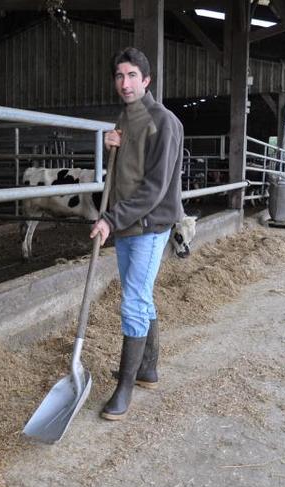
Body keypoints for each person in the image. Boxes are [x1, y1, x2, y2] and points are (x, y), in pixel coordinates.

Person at [90, 47, 185, 421]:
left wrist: (111, 219)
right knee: (141, 296)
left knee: (132, 301)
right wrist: (109, 144)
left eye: (131, 76)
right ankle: (147, 370)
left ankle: (125, 387)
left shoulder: (165, 122)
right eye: (119, 76)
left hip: (149, 224)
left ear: (146, 80)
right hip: (128, 222)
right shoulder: (125, 119)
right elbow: (124, 172)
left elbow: (154, 188)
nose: (124, 83)